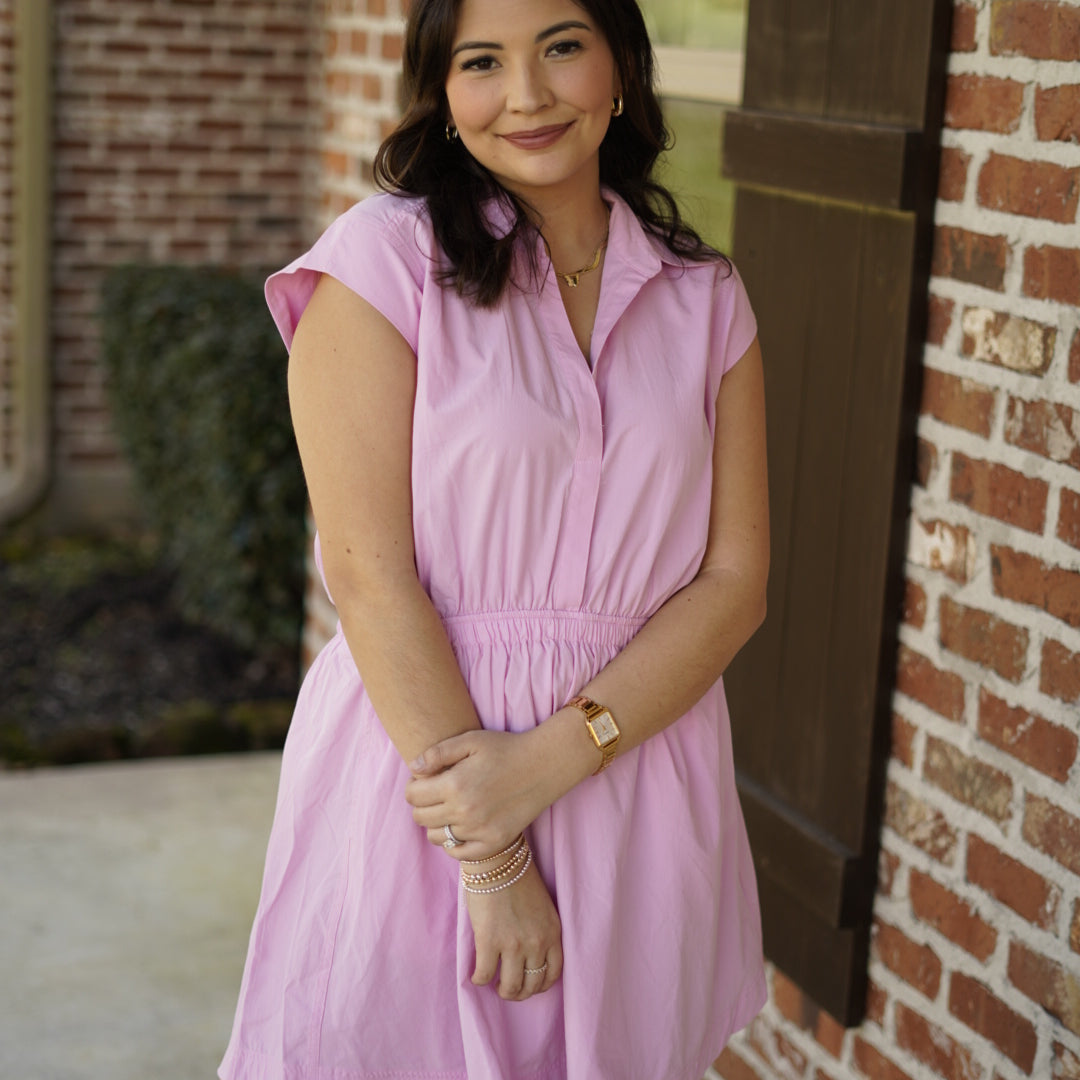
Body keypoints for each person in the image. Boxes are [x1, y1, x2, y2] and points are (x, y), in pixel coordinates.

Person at [219, 0, 769, 1077]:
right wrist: (491, 854)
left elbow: (736, 581)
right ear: (444, 93)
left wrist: (558, 757)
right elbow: (369, 577)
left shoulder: (707, 299)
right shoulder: (380, 265)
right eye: (482, 63)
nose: (526, 94)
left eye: (561, 47)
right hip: (429, 769)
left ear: (619, 66)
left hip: (640, 768)